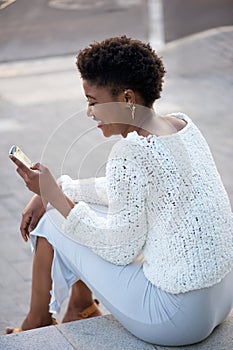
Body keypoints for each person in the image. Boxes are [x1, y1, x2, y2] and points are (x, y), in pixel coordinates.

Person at [6, 36, 233, 346]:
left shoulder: (131, 153)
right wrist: (57, 189)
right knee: (66, 208)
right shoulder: (183, 126)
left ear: (127, 99)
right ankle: (78, 307)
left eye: (92, 101)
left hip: (176, 318)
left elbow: (119, 249)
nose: (89, 112)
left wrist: (53, 198)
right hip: (220, 298)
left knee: (54, 220)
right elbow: (124, 193)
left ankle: (36, 321)